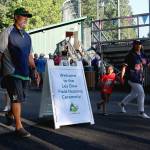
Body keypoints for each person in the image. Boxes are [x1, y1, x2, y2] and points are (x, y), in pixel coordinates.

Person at [0, 7, 38, 137]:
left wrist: (34, 70)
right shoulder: (7, 32)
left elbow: (29, 56)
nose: (26, 19)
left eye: (27, 16)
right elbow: (0, 52)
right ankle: (18, 126)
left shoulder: (27, 36)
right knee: (16, 99)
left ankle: (10, 113)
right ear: (16, 16)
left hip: (24, 73)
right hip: (11, 71)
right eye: (23, 16)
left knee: (19, 99)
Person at [119, 40, 150, 118]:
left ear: (141, 45)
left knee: (134, 94)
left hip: (139, 77)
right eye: (136, 44)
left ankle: (122, 104)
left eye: (139, 44)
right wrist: (122, 77)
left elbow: (148, 63)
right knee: (141, 93)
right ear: (134, 45)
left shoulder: (143, 55)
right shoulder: (130, 55)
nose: (138, 46)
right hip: (131, 77)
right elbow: (124, 66)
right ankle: (141, 112)